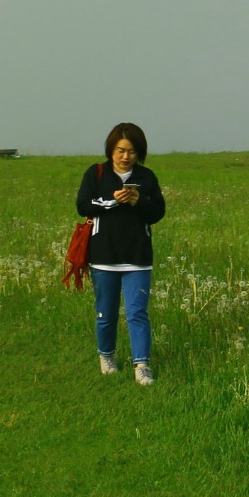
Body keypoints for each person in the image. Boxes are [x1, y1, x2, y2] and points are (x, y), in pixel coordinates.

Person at [75, 122, 167, 385]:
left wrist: (140, 201)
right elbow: (83, 205)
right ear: (111, 150)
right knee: (106, 313)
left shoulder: (147, 177)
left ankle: (142, 365)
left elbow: (158, 213)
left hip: (138, 257)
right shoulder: (97, 173)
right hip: (103, 257)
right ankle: (106, 357)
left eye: (133, 151)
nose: (126, 156)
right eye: (121, 150)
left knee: (138, 313)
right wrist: (113, 201)